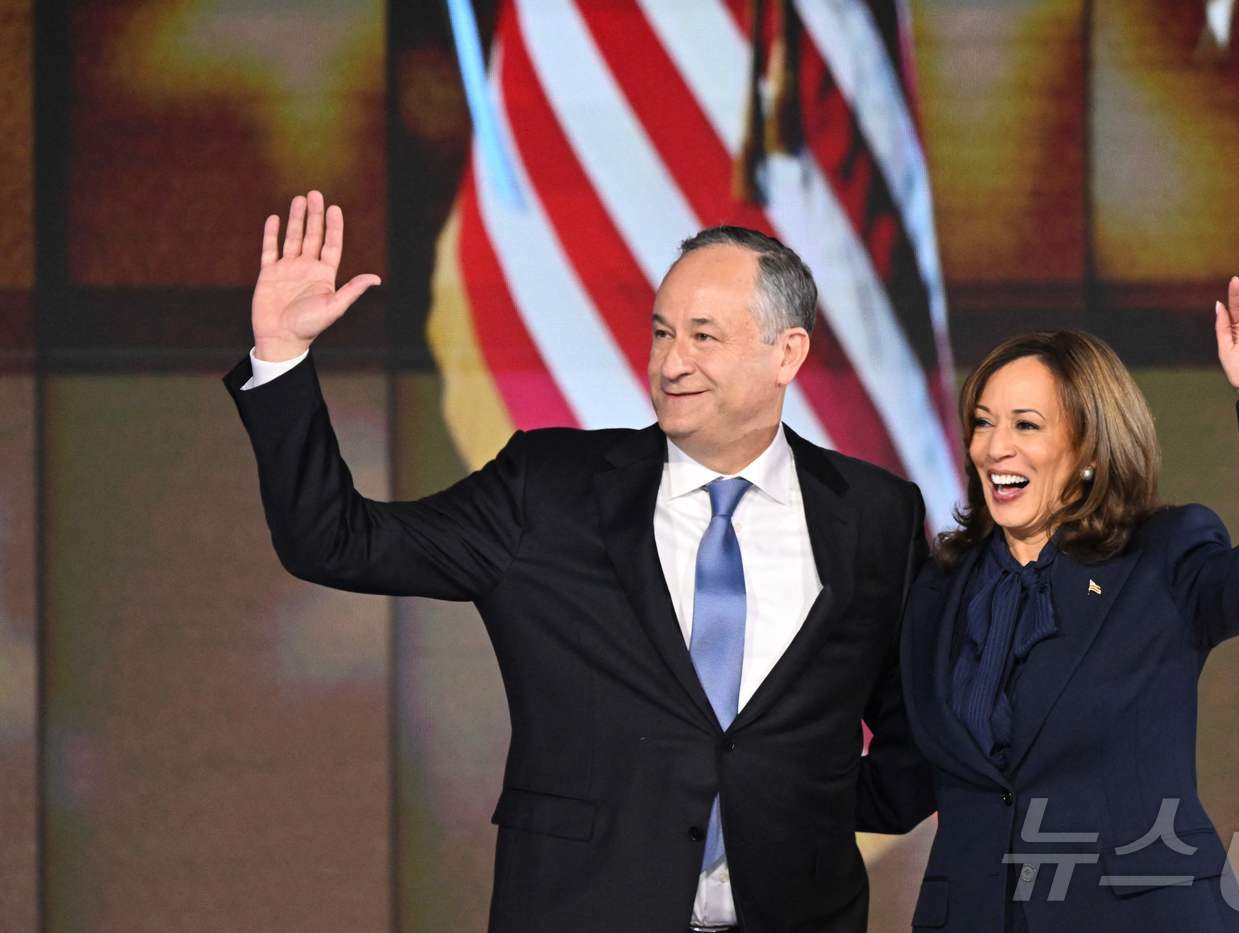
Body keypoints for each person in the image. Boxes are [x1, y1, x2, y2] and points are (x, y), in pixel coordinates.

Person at [225, 192, 935, 933]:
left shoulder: (876, 515)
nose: (671, 362)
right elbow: (336, 539)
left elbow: (917, 731)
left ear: (786, 351)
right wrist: (281, 355)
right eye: (662, 332)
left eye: (703, 336)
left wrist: (804, 805)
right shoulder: (548, 488)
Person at [856, 275, 1239, 932]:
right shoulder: (940, 587)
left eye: (1026, 424)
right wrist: (765, 785)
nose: (995, 447)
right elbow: (910, 780)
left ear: (1087, 446)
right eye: (983, 423)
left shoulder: (1160, 559)